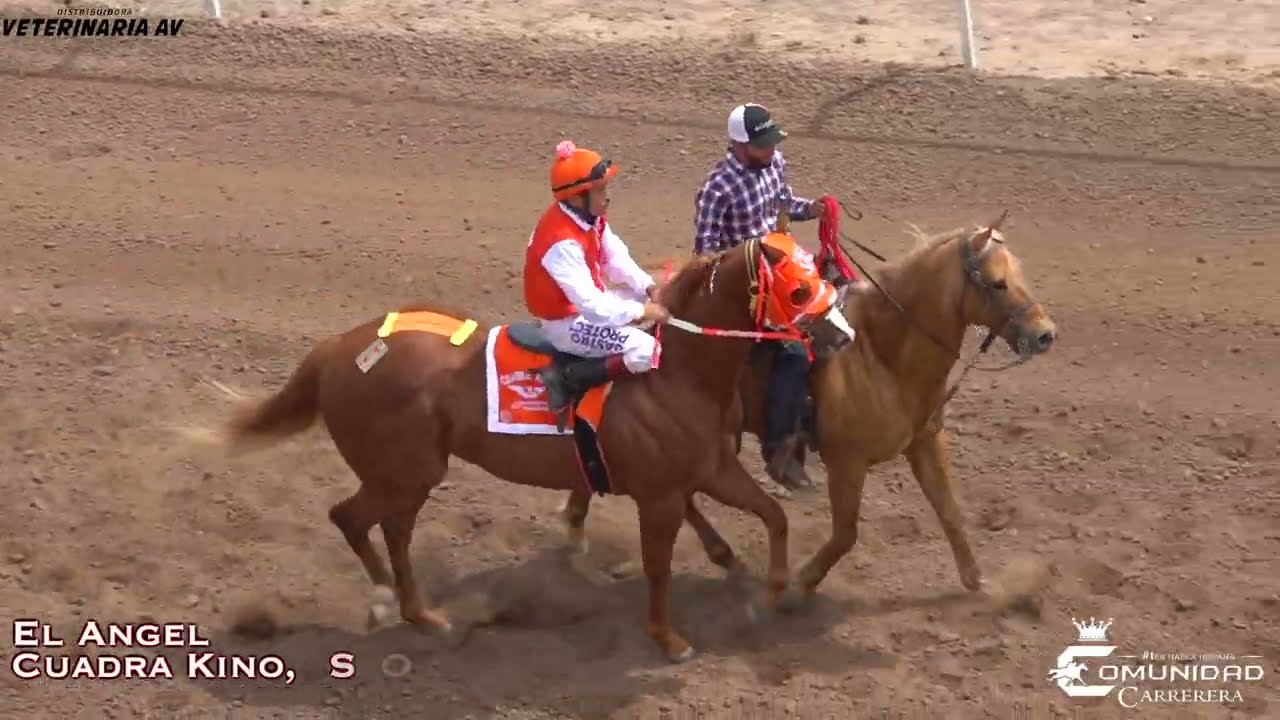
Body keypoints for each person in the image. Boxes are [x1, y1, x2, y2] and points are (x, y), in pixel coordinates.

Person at [692, 103, 831, 490]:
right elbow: (705, 256)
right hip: (747, 288)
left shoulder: (775, 164)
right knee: (792, 351)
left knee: (833, 312)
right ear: (738, 144)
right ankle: (779, 450)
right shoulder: (716, 189)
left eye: (771, 143)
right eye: (762, 145)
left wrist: (814, 209)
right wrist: (753, 253)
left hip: (783, 272)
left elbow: (783, 204)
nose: (770, 150)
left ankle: (814, 416)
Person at [524, 139, 671, 429]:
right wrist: (643, 312)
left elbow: (616, 259)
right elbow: (592, 308)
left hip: (586, 306)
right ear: (578, 197)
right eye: (600, 190)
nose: (607, 197)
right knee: (647, 351)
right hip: (565, 325)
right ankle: (570, 377)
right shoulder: (561, 242)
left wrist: (649, 288)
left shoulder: (588, 219)